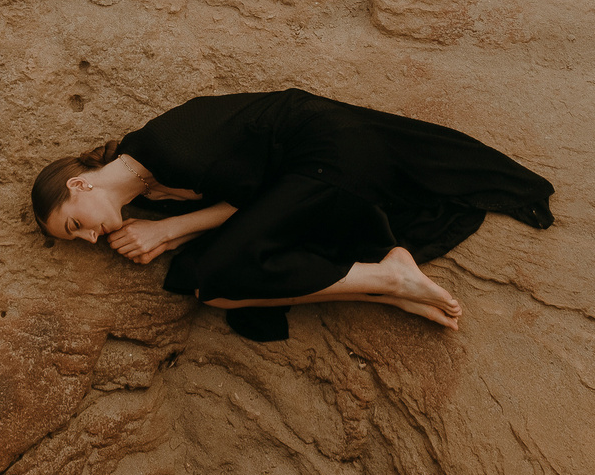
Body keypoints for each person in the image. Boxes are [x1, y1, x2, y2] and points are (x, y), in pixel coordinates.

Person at [31, 89, 554, 340]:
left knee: (216, 278)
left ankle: (387, 276)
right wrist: (167, 235)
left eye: (75, 224)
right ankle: (383, 281)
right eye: (78, 239)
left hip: (332, 156)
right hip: (304, 174)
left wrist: (169, 230)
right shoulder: (150, 185)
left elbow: (253, 197)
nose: (90, 239)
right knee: (201, 280)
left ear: (79, 184)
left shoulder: (165, 150)